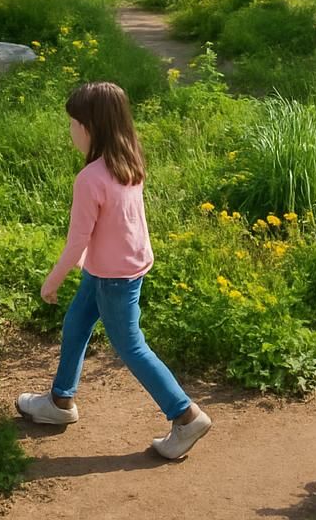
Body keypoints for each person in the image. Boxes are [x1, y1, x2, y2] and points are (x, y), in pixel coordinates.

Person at [16, 82, 213, 460]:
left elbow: (77, 240)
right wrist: (82, 262)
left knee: (131, 346)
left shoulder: (89, 179)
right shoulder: (128, 159)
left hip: (114, 275)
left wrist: (52, 280)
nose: (70, 130)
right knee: (76, 323)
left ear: (89, 127)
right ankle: (60, 401)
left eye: (73, 123)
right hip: (116, 265)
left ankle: (186, 416)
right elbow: (112, 226)